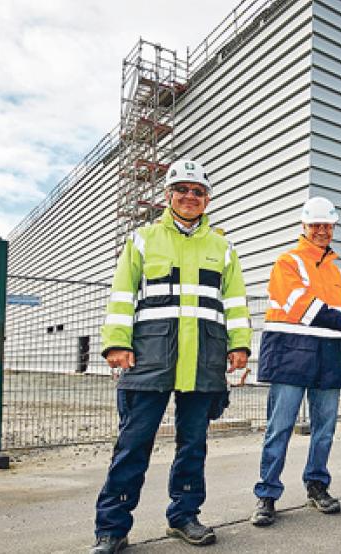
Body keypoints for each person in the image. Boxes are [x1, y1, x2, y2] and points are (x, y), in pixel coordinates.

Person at [92, 159, 252, 553]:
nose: (189, 197)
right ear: (168, 196)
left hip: (204, 357)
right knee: (134, 443)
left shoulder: (222, 247)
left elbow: (235, 302)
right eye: (182, 189)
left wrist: (240, 344)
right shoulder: (143, 239)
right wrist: (116, 341)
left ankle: (184, 516)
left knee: (193, 444)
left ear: (207, 199)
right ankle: (112, 527)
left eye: (198, 191)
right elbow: (122, 295)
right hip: (149, 356)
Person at [250, 196, 341, 527]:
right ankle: (267, 494)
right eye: (316, 225)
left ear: (334, 226)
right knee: (279, 427)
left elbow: (335, 316)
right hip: (290, 353)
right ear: (304, 226)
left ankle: (317, 485)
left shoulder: (338, 272)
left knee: (324, 429)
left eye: (328, 225)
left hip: (327, 355)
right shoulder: (288, 262)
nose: (323, 231)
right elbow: (303, 307)